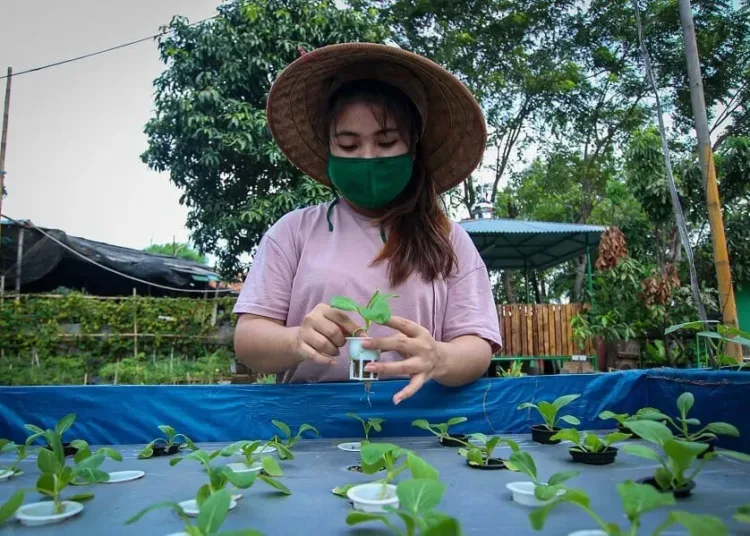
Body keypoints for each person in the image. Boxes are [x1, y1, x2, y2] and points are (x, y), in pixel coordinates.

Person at [233, 43, 502, 405]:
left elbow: (476, 345)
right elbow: (248, 340)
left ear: (413, 145)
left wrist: (439, 357)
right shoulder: (293, 232)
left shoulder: (447, 239)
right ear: (329, 148)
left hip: (418, 421)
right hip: (307, 425)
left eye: (387, 141)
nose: (368, 157)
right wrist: (296, 340)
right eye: (348, 144)